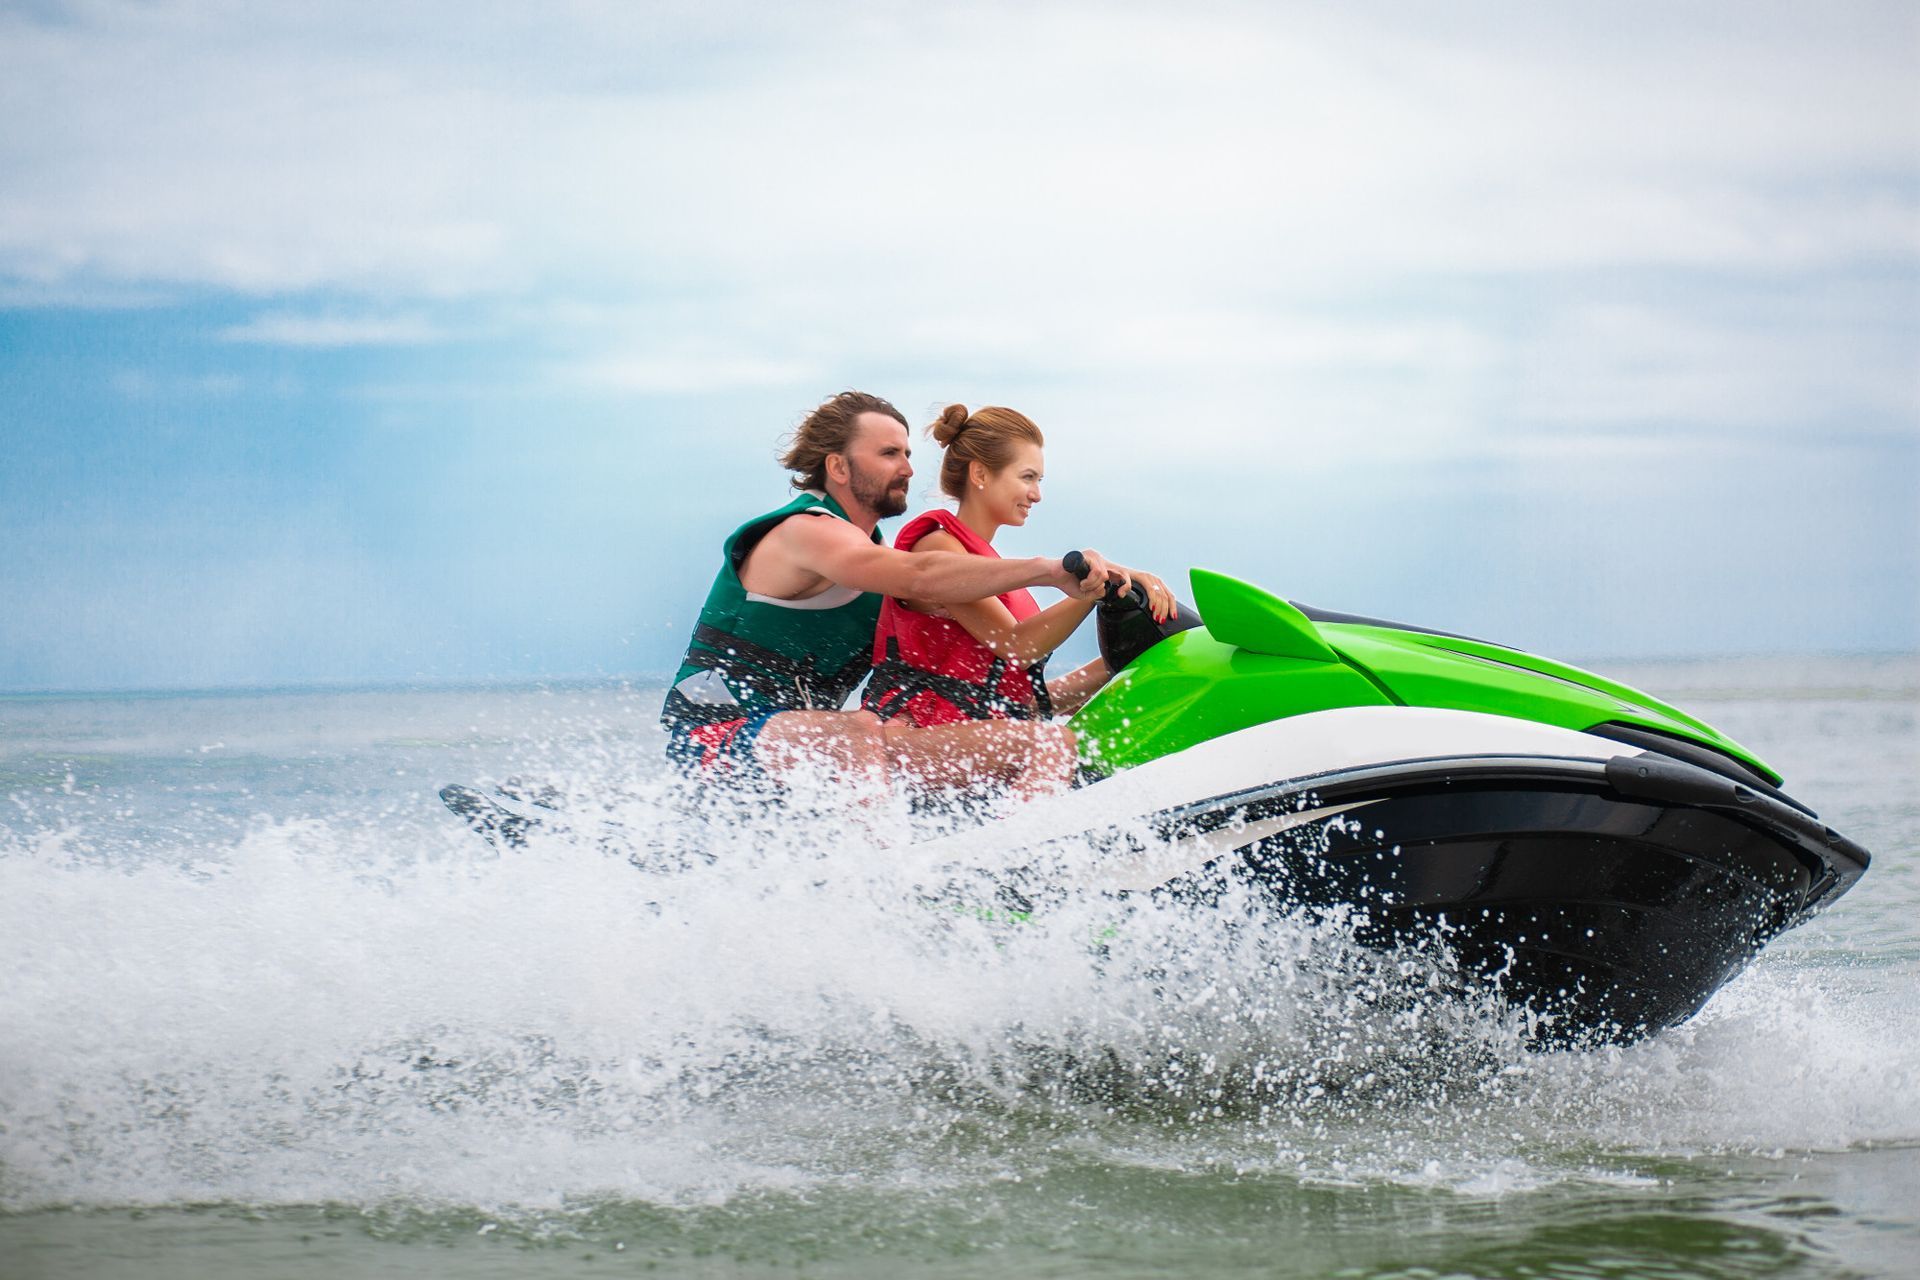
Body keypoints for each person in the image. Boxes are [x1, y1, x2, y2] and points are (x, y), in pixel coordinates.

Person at [661, 390, 1140, 798]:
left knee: (877, 731)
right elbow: (919, 575)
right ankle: (887, 883)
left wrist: (1122, 658)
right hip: (716, 736)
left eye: (909, 454)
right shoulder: (807, 533)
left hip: (805, 749)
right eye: (889, 454)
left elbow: (994, 676)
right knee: (860, 729)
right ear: (838, 467)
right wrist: (1052, 570)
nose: (909, 469)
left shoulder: (876, 562)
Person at [863, 404, 1174, 731]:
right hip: (909, 740)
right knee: (1056, 748)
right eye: (1027, 477)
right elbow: (1017, 646)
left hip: (972, 742)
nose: (1037, 495)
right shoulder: (938, 547)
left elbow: (1023, 705)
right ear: (980, 474)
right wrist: (1097, 589)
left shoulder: (996, 571)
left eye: (1039, 480)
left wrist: (1119, 662)